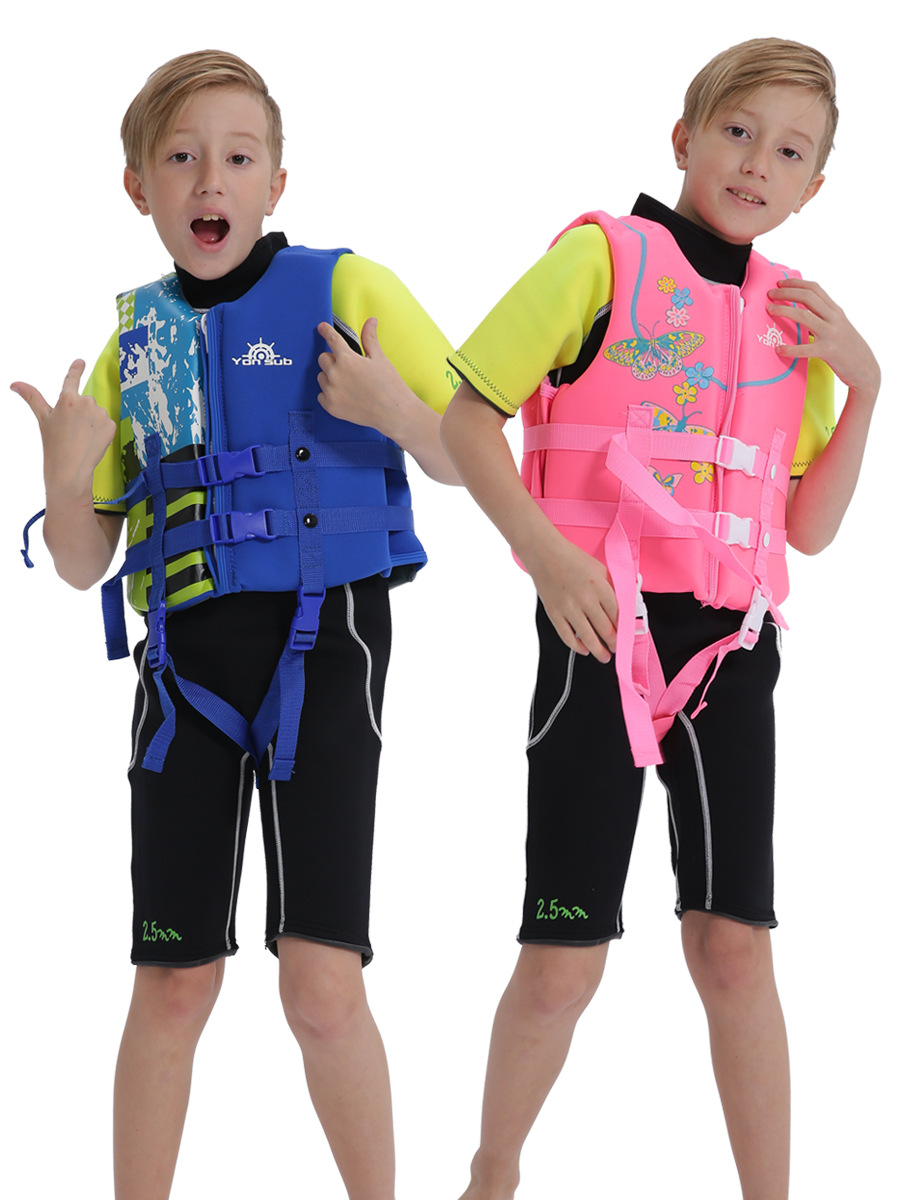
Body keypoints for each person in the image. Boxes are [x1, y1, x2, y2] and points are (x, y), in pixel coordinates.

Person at [12, 49, 457, 1200]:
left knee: (320, 985)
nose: (210, 178)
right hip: (183, 673)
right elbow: (82, 564)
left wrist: (395, 409)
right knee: (173, 982)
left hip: (326, 650)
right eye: (181, 158)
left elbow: (471, 451)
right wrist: (64, 475)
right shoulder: (135, 348)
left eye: (238, 157)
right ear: (140, 188)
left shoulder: (348, 290)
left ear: (276, 183)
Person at [440, 38, 879, 1200]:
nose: (757, 163)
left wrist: (868, 386)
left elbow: (809, 530)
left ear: (813, 187)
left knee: (735, 948)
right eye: (737, 132)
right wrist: (549, 563)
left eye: (790, 152)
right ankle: (491, 1176)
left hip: (733, 651)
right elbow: (467, 418)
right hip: (598, 633)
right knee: (563, 959)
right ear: (684, 139)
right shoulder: (600, 259)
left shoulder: (795, 320)